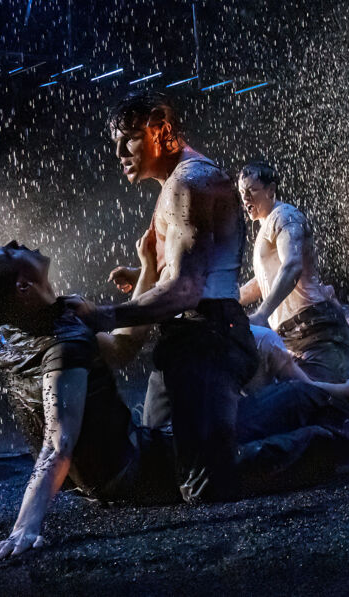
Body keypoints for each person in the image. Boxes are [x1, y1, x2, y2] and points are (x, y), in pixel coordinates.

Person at [0, 240, 349, 560]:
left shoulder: (19, 333)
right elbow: (57, 444)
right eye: (9, 251)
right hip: (152, 475)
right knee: (308, 442)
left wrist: (147, 267)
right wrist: (26, 527)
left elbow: (123, 348)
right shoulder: (61, 345)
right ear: (19, 285)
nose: (19, 243)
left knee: (294, 398)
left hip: (161, 446)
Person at [66, 91, 258, 503]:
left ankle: (338, 425)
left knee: (205, 486)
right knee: (158, 464)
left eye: (128, 139)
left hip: (207, 338)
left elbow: (188, 290)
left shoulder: (188, 182)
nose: (119, 153)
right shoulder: (177, 185)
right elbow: (192, 271)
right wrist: (148, 272)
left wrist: (103, 315)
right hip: (188, 339)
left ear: (158, 127)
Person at [237, 161, 349, 383]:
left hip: (313, 328)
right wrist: (232, 298)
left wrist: (262, 314)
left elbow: (292, 266)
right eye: (242, 192)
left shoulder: (285, 216)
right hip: (296, 333)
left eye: (252, 190)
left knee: (319, 398)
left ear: (271, 190)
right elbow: (265, 280)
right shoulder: (266, 225)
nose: (245, 198)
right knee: (316, 393)